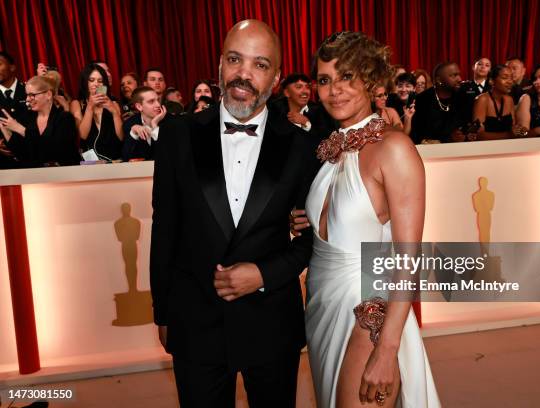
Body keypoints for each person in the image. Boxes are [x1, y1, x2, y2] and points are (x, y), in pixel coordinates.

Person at [150, 19, 318, 407]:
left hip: (272, 321)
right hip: (195, 320)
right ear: (219, 65)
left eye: (260, 64)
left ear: (275, 78)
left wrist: (263, 273)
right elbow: (165, 228)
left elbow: (314, 238)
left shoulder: (300, 146)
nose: (244, 73)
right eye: (235, 59)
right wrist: (163, 310)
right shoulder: (178, 135)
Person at [304, 31, 440, 407]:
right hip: (323, 307)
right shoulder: (333, 152)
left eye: (347, 76)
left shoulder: (394, 148)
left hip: (369, 308)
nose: (335, 90)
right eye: (325, 80)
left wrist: (386, 350)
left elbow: (409, 258)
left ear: (372, 79)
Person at [0, 76, 80, 167]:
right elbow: (21, 154)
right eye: (27, 95)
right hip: (36, 176)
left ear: (48, 95)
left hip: (65, 175)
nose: (27, 99)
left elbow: (57, 150)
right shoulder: (27, 119)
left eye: (32, 95)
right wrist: (4, 129)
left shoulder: (64, 118)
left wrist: (22, 130)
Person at [69, 63, 123, 161]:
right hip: (90, 162)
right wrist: (89, 107)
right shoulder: (76, 104)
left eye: (100, 81)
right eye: (91, 80)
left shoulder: (113, 103)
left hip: (114, 159)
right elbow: (82, 136)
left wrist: (114, 112)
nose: (96, 84)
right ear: (85, 82)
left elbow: (121, 137)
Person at [411, 62, 474, 143]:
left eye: (459, 74)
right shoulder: (423, 99)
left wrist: (468, 135)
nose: (459, 79)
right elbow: (417, 133)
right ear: (439, 79)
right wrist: (445, 139)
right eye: (454, 75)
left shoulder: (464, 97)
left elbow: (467, 127)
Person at [472, 65, 520, 140]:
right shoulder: (482, 99)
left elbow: (513, 127)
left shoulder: (509, 99)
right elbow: (478, 135)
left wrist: (519, 130)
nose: (510, 81)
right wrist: (508, 135)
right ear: (491, 81)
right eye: (505, 77)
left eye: (511, 78)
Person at [122, 86, 166, 161]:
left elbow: (167, 154)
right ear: (139, 106)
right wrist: (133, 133)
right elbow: (126, 157)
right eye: (151, 101)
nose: (158, 105)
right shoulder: (130, 124)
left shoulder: (170, 122)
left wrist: (154, 125)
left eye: (158, 100)